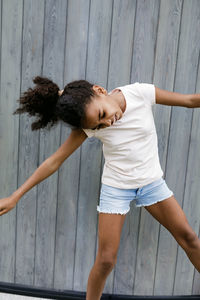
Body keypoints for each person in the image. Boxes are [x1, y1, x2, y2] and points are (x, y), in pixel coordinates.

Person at [0, 76, 200, 300]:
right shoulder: (89, 126)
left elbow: (191, 100)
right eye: (98, 126)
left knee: (189, 238)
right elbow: (53, 162)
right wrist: (15, 196)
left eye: (102, 116)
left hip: (151, 183)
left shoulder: (140, 93)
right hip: (116, 188)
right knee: (106, 260)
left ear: (100, 90)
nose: (106, 123)